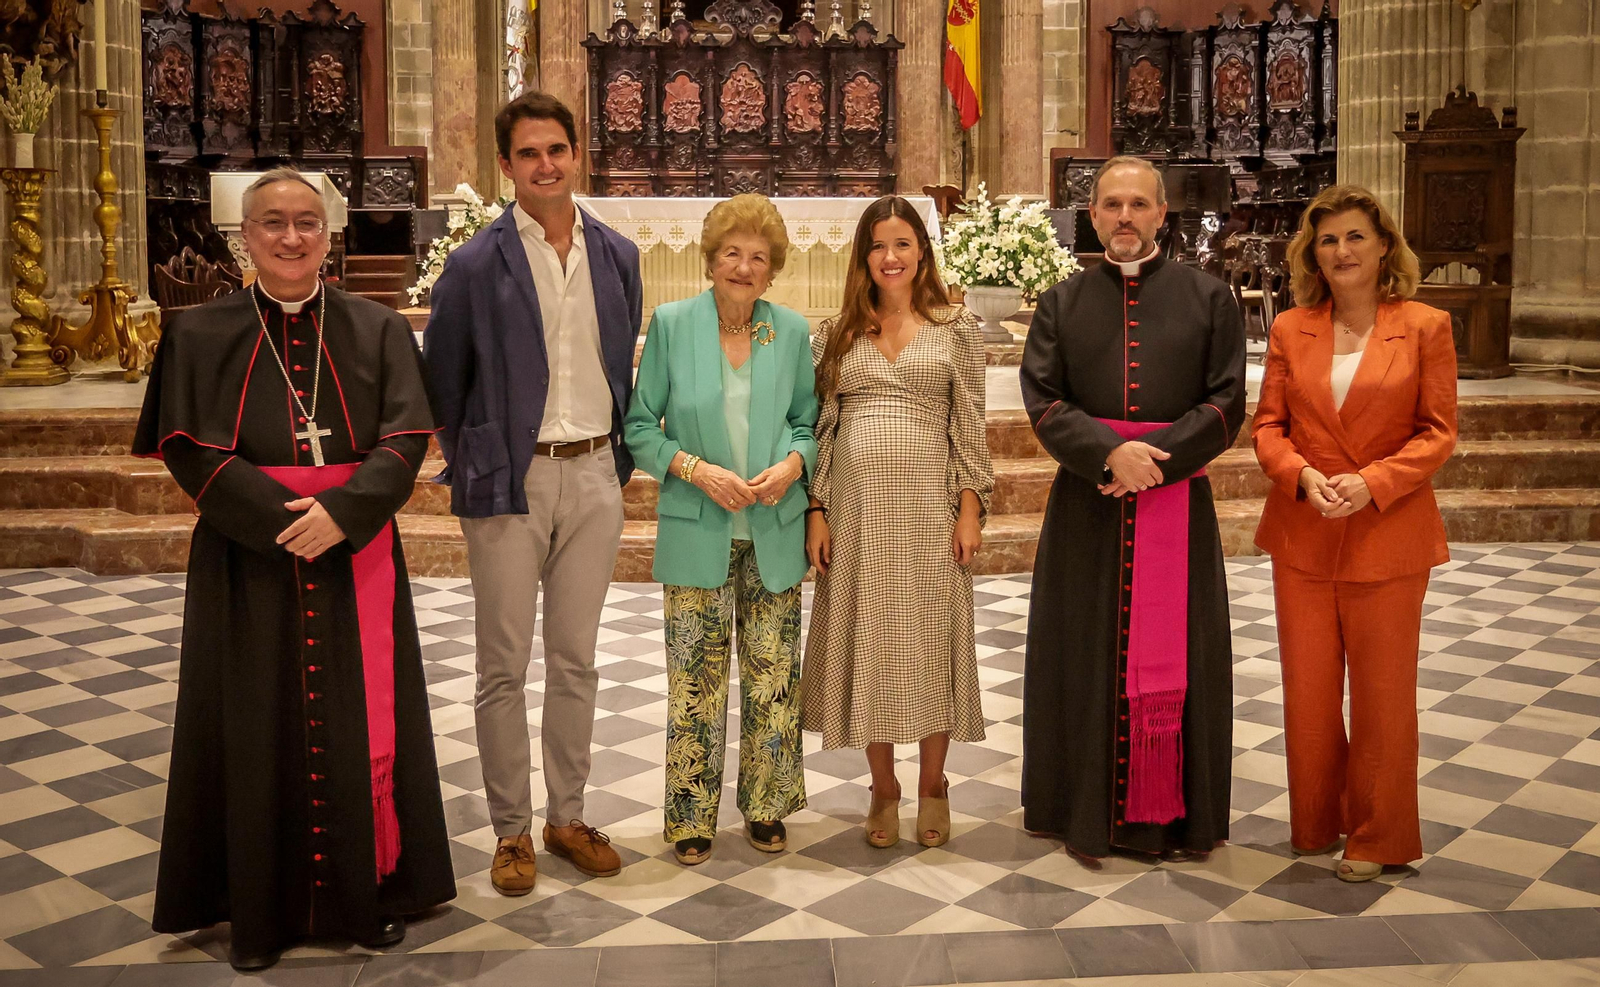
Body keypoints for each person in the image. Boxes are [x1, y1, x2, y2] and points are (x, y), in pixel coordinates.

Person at [133, 167, 455, 971]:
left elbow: (405, 437)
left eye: (307, 221)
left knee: (360, 722)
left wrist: (342, 514)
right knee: (250, 720)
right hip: (250, 560)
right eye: (272, 221)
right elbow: (186, 447)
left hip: (354, 551)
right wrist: (284, 524)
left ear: (328, 233)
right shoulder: (199, 333)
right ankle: (258, 911)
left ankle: (364, 895)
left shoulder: (376, 328)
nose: (290, 236)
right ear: (244, 235)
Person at [423, 91, 644, 892]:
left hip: (593, 472)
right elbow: (442, 378)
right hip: (511, 480)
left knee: (577, 658)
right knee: (503, 664)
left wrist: (610, 457)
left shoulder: (617, 254)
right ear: (507, 164)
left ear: (577, 153)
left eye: (557, 149)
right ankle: (511, 831)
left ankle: (567, 815)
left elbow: (620, 358)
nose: (545, 164)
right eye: (528, 153)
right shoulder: (477, 263)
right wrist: (479, 455)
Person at [1019, 156, 1246, 861]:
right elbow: (1043, 398)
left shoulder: (1211, 300)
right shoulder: (1060, 302)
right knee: (1080, 653)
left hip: (1175, 501)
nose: (1124, 216)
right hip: (1087, 503)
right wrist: (1107, 454)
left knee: (1181, 653)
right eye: (1111, 204)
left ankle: (1173, 817)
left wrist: (1155, 460)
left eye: (1137, 204)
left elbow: (1227, 401)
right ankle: (1075, 808)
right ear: (1092, 217)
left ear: (1160, 215)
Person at [1252, 185, 1457, 883]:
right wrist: (1300, 476)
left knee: (1382, 693)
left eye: (1355, 238)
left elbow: (1438, 432)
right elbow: (1268, 426)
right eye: (1328, 239)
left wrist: (1373, 482)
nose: (1340, 250)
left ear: (1384, 248)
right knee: (1308, 691)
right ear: (1313, 252)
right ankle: (1315, 819)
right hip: (1303, 528)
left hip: (1387, 531)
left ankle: (1379, 833)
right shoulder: (1290, 328)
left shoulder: (1426, 327)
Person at [624, 194, 817, 866]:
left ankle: (766, 805)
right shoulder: (675, 326)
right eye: (732, 253)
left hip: (773, 527)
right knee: (696, 680)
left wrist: (795, 463)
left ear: (772, 271)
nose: (744, 266)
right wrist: (696, 468)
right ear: (710, 261)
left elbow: (806, 421)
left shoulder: (784, 332)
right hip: (697, 527)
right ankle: (690, 815)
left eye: (758, 257)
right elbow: (640, 426)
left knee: (772, 679)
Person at [800, 195, 993, 849]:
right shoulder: (834, 333)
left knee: (931, 636)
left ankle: (934, 783)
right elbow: (822, 429)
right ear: (863, 256)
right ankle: (884, 787)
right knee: (873, 639)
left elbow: (969, 425)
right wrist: (817, 508)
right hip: (856, 511)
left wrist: (969, 507)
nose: (890, 257)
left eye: (903, 243)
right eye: (878, 245)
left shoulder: (956, 327)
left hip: (928, 508)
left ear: (922, 252)